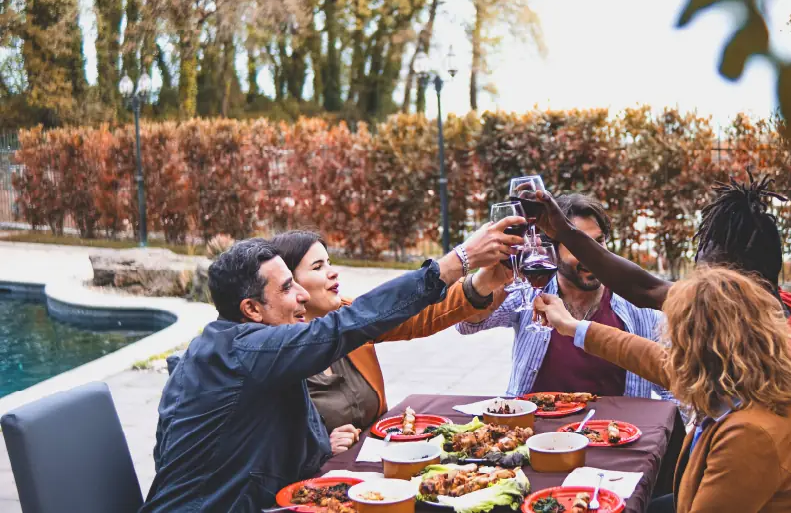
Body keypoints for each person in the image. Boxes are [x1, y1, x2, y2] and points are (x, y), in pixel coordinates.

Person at [142, 221, 521, 513]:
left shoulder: (236, 347)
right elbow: (351, 323)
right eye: (289, 287)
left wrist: (320, 446)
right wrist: (458, 261)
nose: (303, 295)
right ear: (252, 310)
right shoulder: (246, 351)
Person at [531, 172, 791, 513]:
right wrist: (575, 327)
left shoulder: (752, 433)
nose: (678, 347)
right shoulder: (754, 352)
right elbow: (647, 304)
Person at [534, 267, 791, 513]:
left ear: (703, 351)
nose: (674, 353)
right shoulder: (751, 377)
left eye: (679, 343)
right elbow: (648, 356)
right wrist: (573, 327)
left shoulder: (751, 435)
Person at [271, 229, 512, 452]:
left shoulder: (347, 318)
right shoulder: (272, 351)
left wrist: (485, 282)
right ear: (288, 284)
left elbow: (419, 316)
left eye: (330, 263)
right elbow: (269, 449)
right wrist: (320, 448)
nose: (333, 272)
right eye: (317, 267)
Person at [456, 193, 674, 402]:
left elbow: (671, 386)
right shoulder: (531, 292)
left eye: (599, 243)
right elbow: (466, 325)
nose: (592, 256)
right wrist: (489, 280)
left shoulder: (637, 305)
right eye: (577, 246)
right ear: (552, 250)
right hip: (536, 435)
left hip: (617, 434)